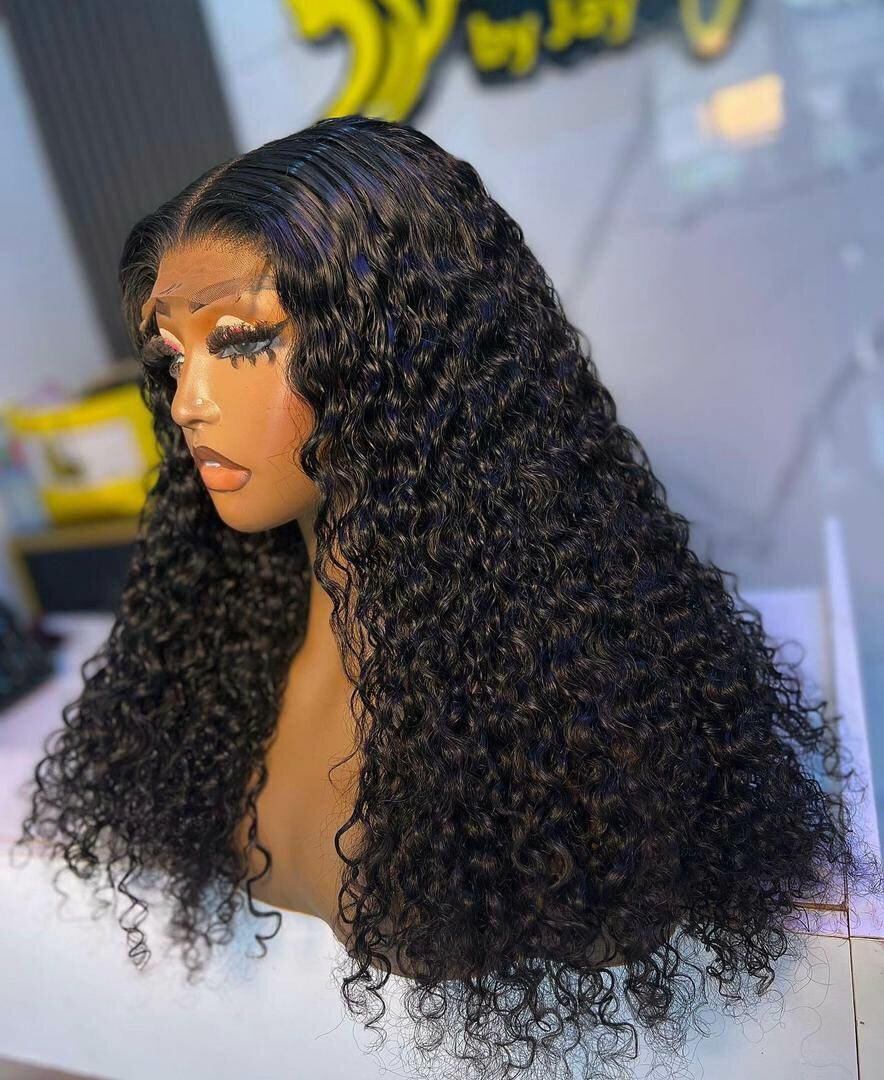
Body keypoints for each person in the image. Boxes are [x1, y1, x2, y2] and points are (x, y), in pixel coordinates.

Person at [16, 115, 881, 1080]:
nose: (188, 402)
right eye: (173, 357)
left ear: (397, 347)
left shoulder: (570, 710)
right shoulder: (219, 665)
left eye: (240, 340)